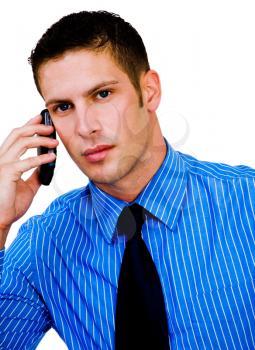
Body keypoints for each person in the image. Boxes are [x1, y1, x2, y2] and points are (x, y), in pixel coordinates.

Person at [0, 10, 255, 350]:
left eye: (102, 94)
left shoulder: (247, 202)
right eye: (63, 107)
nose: (85, 127)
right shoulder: (43, 244)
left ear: (149, 91)